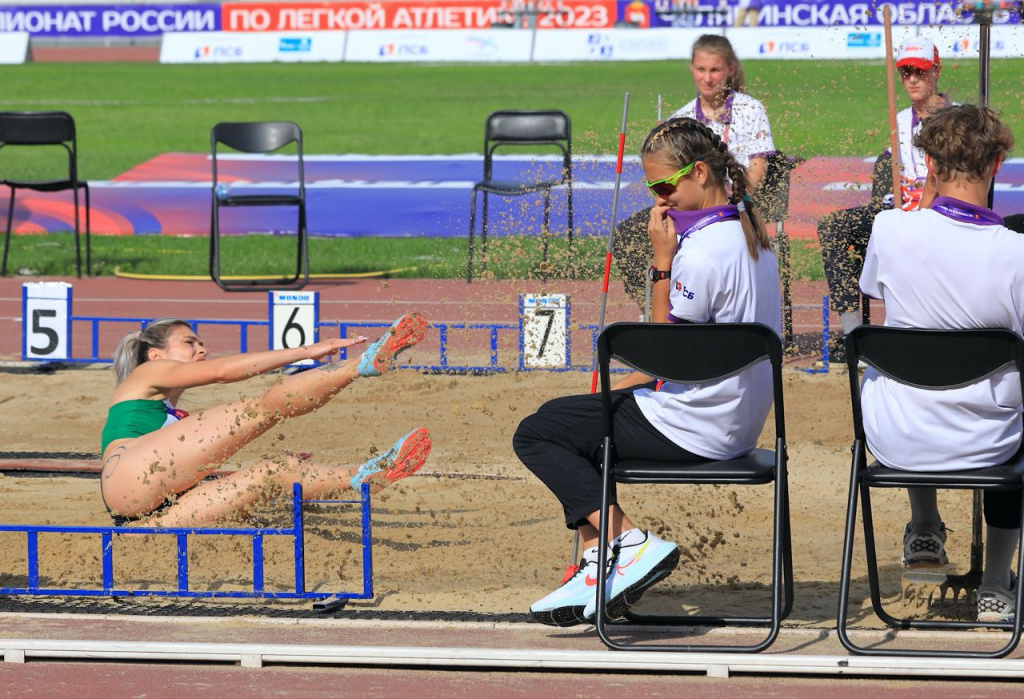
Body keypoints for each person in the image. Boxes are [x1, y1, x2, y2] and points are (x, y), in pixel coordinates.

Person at [514, 117, 781, 627]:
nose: (658, 201)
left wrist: (662, 261)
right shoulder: (753, 234)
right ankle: (600, 567)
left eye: (664, 185)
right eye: (651, 188)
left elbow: (663, 351)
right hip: (736, 416)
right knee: (574, 420)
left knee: (539, 432)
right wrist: (648, 380)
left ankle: (626, 542)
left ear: (699, 173)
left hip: (697, 425)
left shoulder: (699, 253)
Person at [858, 104, 1023, 623]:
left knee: (903, 360)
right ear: (997, 164)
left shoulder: (888, 229)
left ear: (928, 166)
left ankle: (924, 521)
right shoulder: (1016, 253)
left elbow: (873, 290)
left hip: (895, 439)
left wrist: (923, 206)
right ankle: (997, 582)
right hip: (989, 444)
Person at [100, 312, 431, 527]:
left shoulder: (175, 419)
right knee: (260, 409)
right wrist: (308, 351)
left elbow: (181, 481)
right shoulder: (147, 372)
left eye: (201, 342)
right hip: (129, 478)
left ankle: (365, 476)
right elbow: (222, 372)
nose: (202, 349)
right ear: (156, 355)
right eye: (189, 343)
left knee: (278, 472)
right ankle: (364, 363)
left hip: (140, 516)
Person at [613, 34, 778, 310]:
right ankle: (654, 310)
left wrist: (727, 200)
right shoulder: (680, 118)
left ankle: (681, 310)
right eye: (701, 69)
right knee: (628, 233)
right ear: (692, 68)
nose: (708, 78)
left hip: (734, 205)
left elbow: (757, 168)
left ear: (730, 70)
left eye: (715, 70)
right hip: (690, 204)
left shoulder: (750, 109)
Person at [818, 36, 952, 357]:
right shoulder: (901, 120)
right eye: (905, 72)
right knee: (833, 227)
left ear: (936, 71)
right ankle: (853, 335)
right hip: (899, 215)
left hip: (940, 216)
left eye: (920, 71)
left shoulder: (958, 118)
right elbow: (890, 175)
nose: (912, 79)